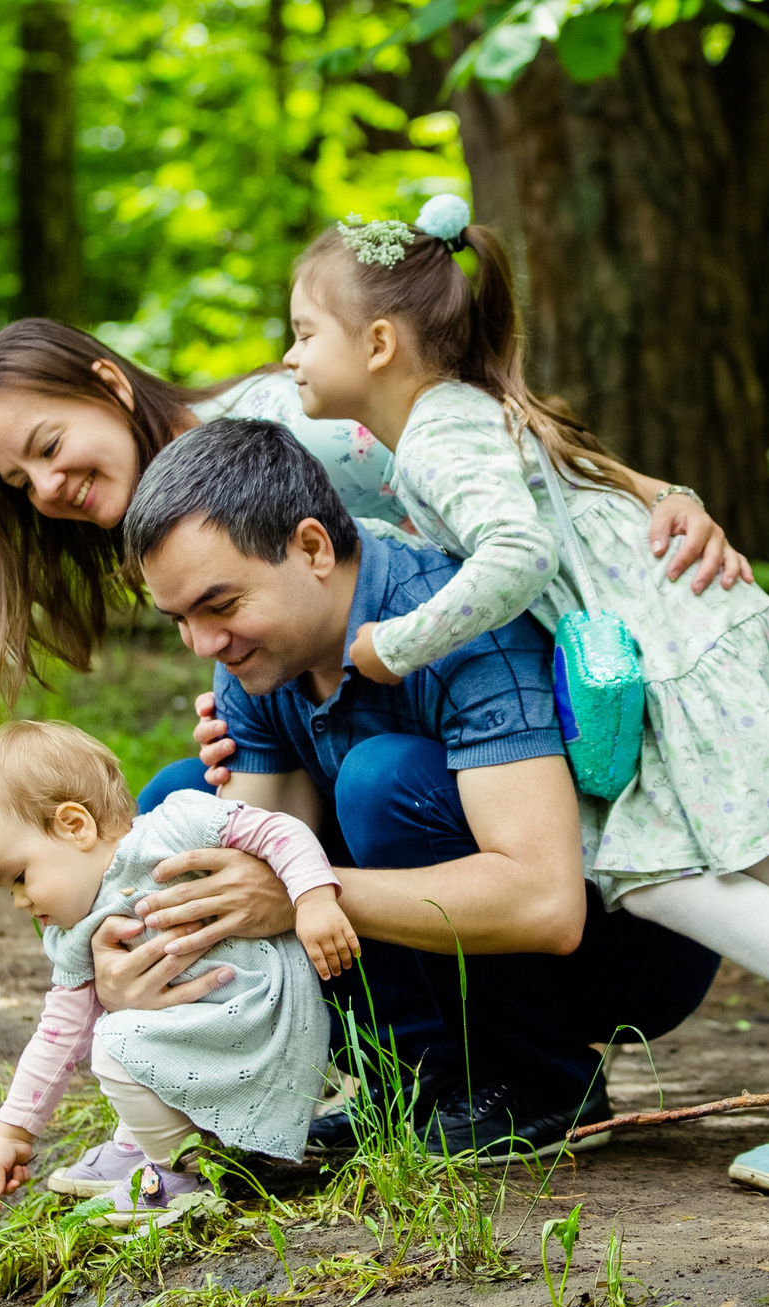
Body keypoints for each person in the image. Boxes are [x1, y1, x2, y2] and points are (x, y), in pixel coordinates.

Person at [264, 194, 769, 1199]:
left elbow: (519, 553)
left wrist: (393, 646)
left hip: (657, 645)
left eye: (302, 333)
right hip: (684, 627)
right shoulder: (454, 414)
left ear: (375, 342)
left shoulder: (442, 436)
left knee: (645, 865)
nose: (288, 357)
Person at [109, 415, 724, 1157]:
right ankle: (411, 1082)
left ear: (311, 548)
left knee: (381, 779)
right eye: (180, 619)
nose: (204, 642)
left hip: (625, 945)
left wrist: (306, 892)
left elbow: (547, 902)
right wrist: (130, 959)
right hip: (465, 902)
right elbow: (244, 869)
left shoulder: (456, 619)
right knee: (181, 806)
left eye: (221, 605)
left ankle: (547, 1079)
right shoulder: (259, 656)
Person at [0, 318, 753, 704]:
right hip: (399, 694)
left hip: (512, 676)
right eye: (22, 484)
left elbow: (475, 434)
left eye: (50, 446)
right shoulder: (161, 528)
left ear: (110, 385)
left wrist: (653, 492)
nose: (49, 488)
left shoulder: (292, 428)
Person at [0, 721, 354, 1223]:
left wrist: (313, 897)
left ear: (74, 825)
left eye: (19, 876)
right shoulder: (78, 931)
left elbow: (276, 829)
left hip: (257, 1008)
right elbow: (57, 1035)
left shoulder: (172, 828)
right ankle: (142, 1141)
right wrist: (14, 1132)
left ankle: (180, 1174)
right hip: (209, 1028)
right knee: (116, 1032)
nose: (18, 900)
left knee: (115, 1043)